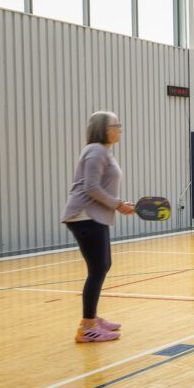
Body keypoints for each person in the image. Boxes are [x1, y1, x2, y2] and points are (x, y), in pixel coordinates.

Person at [61, 111, 136, 343]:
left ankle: (91, 319)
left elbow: (99, 186)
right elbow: (91, 187)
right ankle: (87, 328)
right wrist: (117, 204)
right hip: (85, 216)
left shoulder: (103, 151)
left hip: (93, 217)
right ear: (104, 129)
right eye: (116, 125)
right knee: (97, 269)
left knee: (103, 266)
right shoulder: (96, 150)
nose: (120, 129)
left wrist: (119, 204)